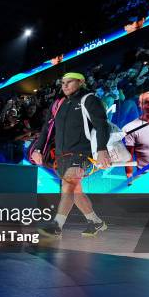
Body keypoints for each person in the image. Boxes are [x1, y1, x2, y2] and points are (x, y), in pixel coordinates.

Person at [31, 72, 111, 238]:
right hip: (61, 156)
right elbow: (46, 128)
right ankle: (96, 222)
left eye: (69, 82)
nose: (64, 86)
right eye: (63, 83)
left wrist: (102, 149)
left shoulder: (89, 99)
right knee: (75, 192)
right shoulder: (58, 104)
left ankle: (57, 225)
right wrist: (38, 149)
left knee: (68, 186)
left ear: (80, 82)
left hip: (82, 153)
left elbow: (102, 125)